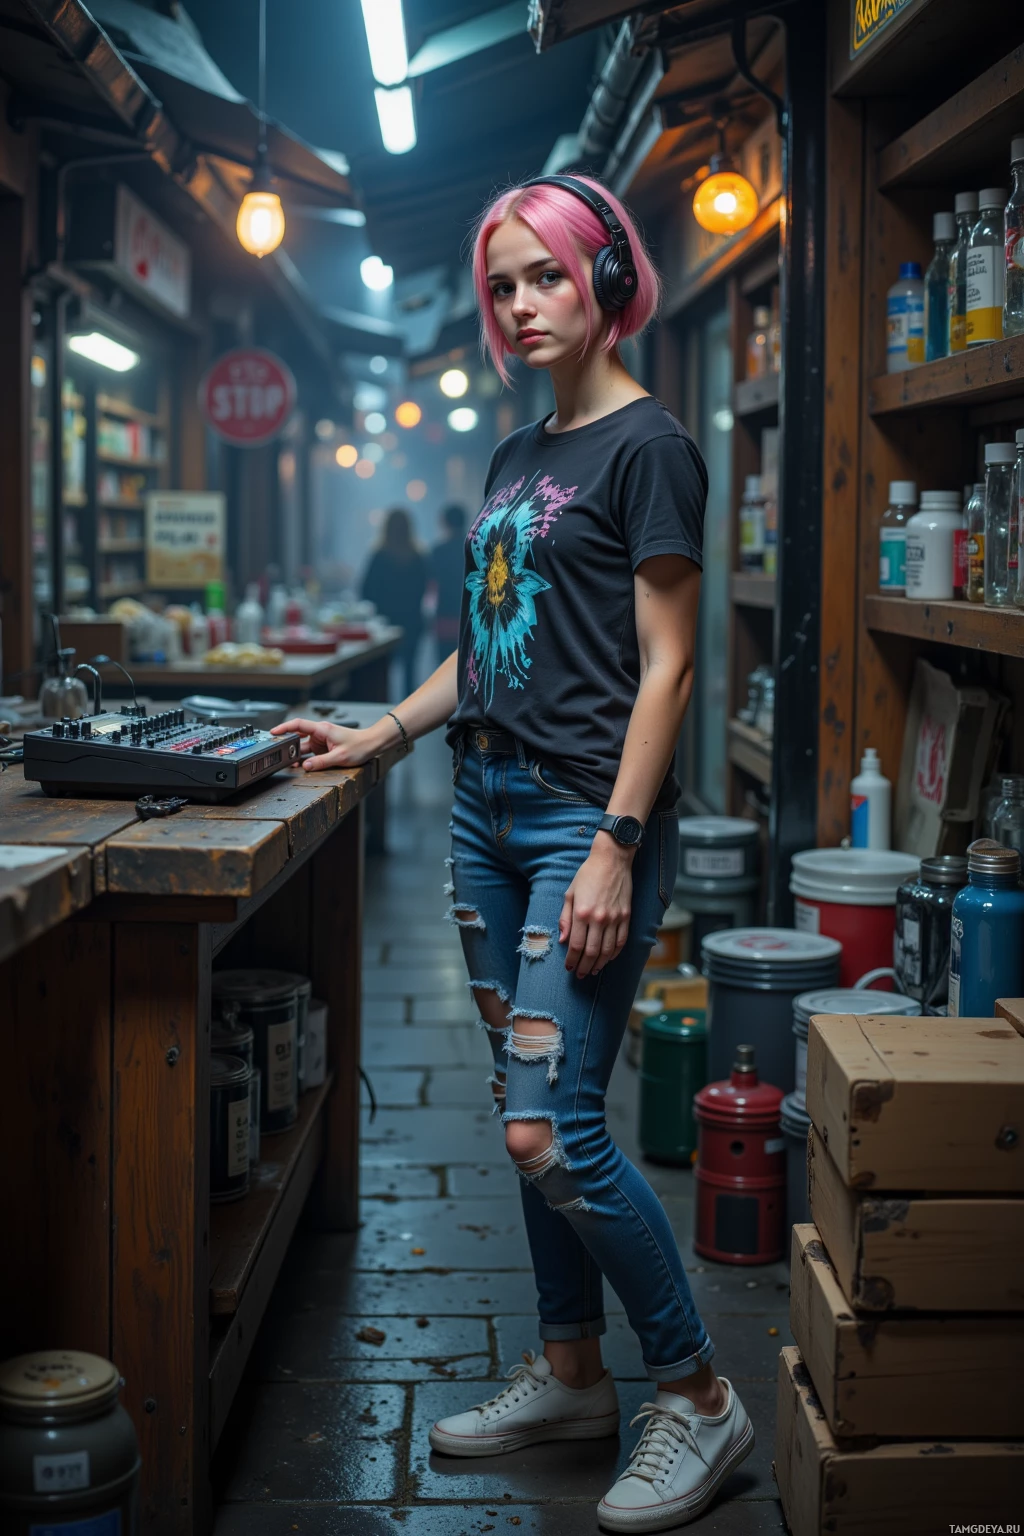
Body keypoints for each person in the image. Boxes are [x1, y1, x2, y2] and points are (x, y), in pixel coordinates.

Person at [273, 173, 751, 1532]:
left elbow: (667, 672)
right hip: (484, 819)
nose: (521, 303)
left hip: (574, 826)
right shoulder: (515, 457)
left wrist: (614, 845)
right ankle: (569, 1373)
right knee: (519, 1118)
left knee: (555, 1127)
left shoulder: (650, 446)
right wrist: (380, 733)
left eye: (545, 274)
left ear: (608, 278)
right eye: (502, 284)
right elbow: (482, 647)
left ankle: (701, 1399)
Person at [360, 507, 427, 700]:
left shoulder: (379, 556)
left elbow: (365, 590)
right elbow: (424, 588)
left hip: (385, 624)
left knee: (382, 677)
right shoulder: (418, 558)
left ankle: (386, 719)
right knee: (410, 674)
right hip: (413, 621)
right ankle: (412, 718)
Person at [428, 502, 468, 658]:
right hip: (469, 616)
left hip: (444, 617)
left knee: (443, 665)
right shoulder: (473, 548)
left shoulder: (438, 551)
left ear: (444, 522)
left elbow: (431, 585)